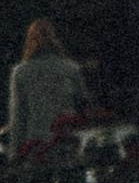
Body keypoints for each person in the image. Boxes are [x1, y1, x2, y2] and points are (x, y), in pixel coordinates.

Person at [5, 16, 90, 153]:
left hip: (35, 145)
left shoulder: (20, 72)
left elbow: (18, 116)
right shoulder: (70, 69)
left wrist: (15, 152)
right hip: (66, 143)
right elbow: (83, 107)